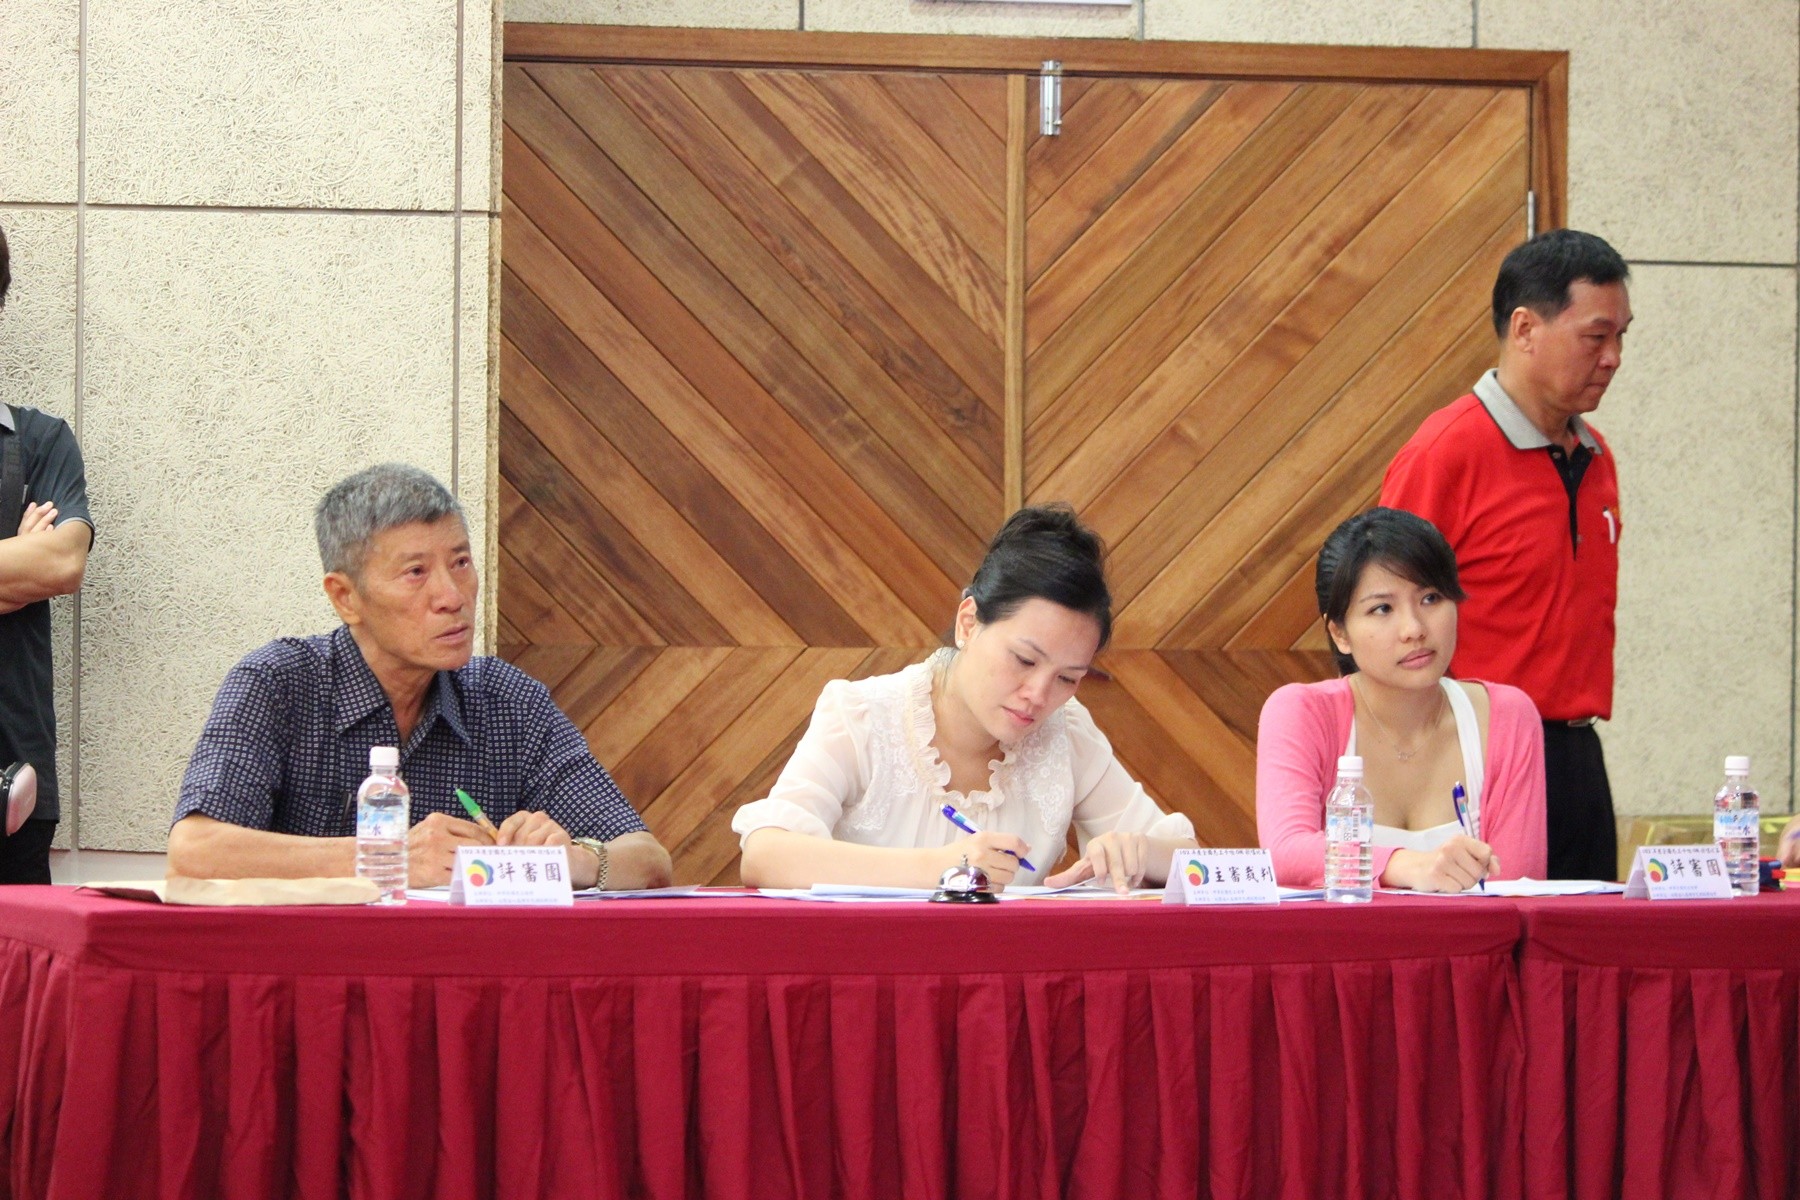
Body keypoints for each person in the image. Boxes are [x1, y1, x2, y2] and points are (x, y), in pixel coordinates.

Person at [169, 463, 671, 890]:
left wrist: (573, 861)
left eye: (461, 562)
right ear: (345, 597)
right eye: (416, 572)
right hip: (308, 967)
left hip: (460, 970)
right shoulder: (279, 684)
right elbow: (195, 849)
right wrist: (389, 858)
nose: (452, 596)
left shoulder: (508, 701)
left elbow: (649, 860)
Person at [734, 504, 1198, 893]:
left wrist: (1142, 852)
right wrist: (943, 867)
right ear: (968, 623)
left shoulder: (1066, 733)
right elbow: (765, 854)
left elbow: (1196, 864)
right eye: (1023, 659)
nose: (1039, 695)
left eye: (1067, 678)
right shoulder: (863, 714)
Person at [1380, 228, 1630, 880]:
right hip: (1476, 758)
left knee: (1592, 942)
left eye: (1622, 337)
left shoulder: (1597, 456)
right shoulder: (1445, 452)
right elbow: (1376, 618)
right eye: (1596, 337)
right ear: (1524, 329)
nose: (1614, 358)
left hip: (1578, 758)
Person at [1257, 508, 1546, 891]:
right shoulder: (1301, 712)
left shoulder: (1507, 715)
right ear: (1340, 633)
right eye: (1382, 609)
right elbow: (1284, 852)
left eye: (1430, 598)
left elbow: (1517, 885)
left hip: (1473, 932)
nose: (1414, 629)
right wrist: (1406, 866)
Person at [0, 221, 94, 883]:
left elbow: (61, 563)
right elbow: (33, 565)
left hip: (14, 781)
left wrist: (35, 562)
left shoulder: (38, 441)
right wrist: (14, 556)